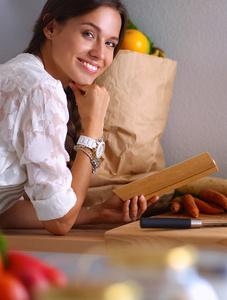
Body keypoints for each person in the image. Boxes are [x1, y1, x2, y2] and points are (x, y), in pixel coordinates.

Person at [0, 0, 158, 235]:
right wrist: (93, 127)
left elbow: (4, 213)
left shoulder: (16, 74)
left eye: (110, 43)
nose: (99, 53)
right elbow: (59, 222)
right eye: (88, 34)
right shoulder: (41, 89)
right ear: (51, 28)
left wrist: (97, 212)